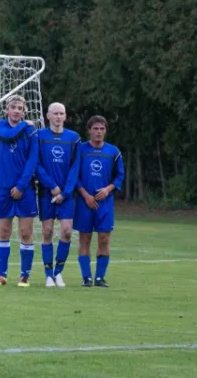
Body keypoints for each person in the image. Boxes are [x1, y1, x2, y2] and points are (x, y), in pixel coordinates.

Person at [0, 95, 39, 287]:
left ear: (24, 111)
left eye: (20, 108)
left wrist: (21, 186)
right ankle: (1, 275)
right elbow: (10, 136)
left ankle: (24, 276)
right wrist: (25, 124)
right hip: (3, 188)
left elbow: (33, 161)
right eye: (14, 107)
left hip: (24, 189)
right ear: (7, 111)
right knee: (3, 231)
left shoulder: (32, 132)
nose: (17, 110)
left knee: (26, 232)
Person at [73, 115, 125, 287]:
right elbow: (74, 176)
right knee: (85, 239)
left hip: (105, 203)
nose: (98, 132)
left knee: (104, 239)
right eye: (95, 128)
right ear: (89, 130)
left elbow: (120, 175)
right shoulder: (80, 149)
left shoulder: (113, 152)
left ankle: (100, 277)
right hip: (84, 202)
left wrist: (108, 189)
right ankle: (86, 277)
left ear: (105, 131)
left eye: (102, 129)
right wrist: (85, 195)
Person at [36, 103, 81, 287]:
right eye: (55, 113)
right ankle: (48, 274)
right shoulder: (39, 136)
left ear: (65, 116)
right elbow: (36, 165)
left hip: (67, 195)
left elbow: (75, 167)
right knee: (47, 232)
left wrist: (66, 191)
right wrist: (52, 186)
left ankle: (58, 272)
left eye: (61, 113)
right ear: (48, 116)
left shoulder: (74, 138)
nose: (58, 116)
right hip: (47, 193)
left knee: (67, 231)